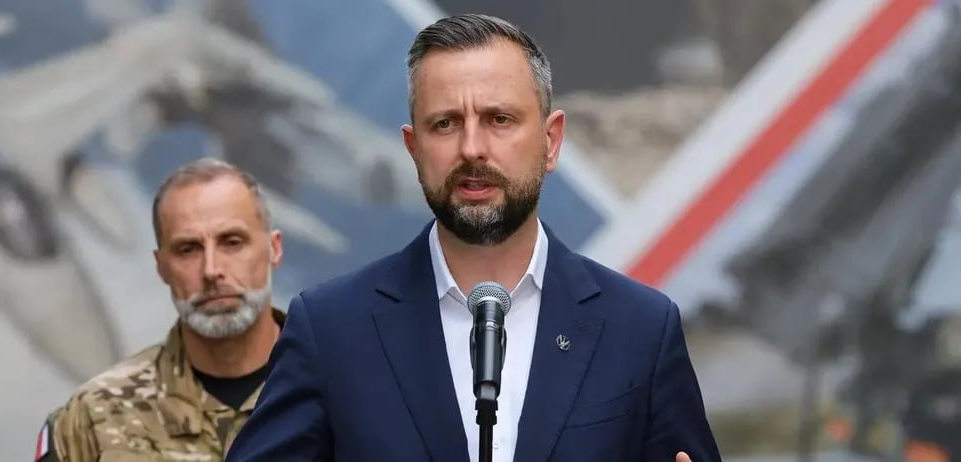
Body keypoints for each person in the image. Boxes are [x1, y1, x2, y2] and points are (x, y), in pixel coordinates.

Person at [226, 13, 721, 462]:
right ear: (413, 148)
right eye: (445, 124)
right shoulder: (331, 329)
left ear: (550, 141)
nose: (472, 148)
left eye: (499, 119)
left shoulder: (640, 328)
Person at [35, 158, 286, 461]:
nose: (211, 270)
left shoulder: (335, 388)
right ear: (162, 267)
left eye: (232, 242)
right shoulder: (89, 422)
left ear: (273, 249)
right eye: (188, 249)